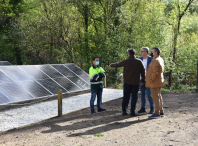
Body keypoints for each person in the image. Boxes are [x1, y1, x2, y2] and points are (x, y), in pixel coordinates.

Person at [109, 49, 145, 116]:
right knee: (134, 96)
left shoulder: (126, 61)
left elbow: (118, 64)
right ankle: (132, 112)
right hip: (135, 82)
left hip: (127, 82)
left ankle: (124, 111)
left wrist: (111, 65)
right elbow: (143, 71)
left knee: (126, 96)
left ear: (129, 54)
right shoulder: (139, 61)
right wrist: (143, 80)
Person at [146, 47, 165, 119]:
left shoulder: (156, 60)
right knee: (159, 97)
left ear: (155, 53)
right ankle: (161, 112)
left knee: (156, 98)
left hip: (154, 83)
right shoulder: (160, 59)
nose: (151, 53)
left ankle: (157, 113)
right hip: (158, 82)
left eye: (152, 52)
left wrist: (150, 80)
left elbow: (155, 73)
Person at [137, 47, 154, 114]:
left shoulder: (151, 59)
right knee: (142, 93)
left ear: (146, 52)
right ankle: (143, 107)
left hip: (148, 80)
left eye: (142, 51)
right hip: (141, 79)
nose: (141, 52)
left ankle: (152, 107)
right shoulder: (139, 59)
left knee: (149, 93)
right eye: (141, 51)